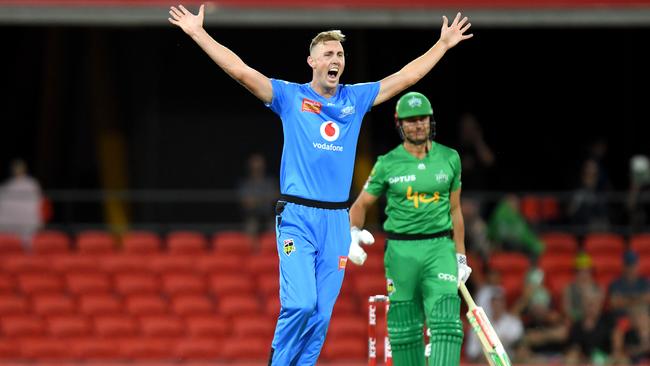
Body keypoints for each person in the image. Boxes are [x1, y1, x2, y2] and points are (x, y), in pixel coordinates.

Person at [168, 6, 473, 365]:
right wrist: (198, 34)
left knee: (320, 319)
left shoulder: (354, 100)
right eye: (328, 53)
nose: (336, 59)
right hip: (297, 215)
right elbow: (240, 71)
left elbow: (404, 78)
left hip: (337, 223)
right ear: (311, 61)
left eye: (340, 54)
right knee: (300, 303)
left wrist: (443, 44)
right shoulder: (289, 97)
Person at [348, 92, 472, 365]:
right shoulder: (387, 163)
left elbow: (455, 211)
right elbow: (359, 206)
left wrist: (460, 256)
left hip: (439, 247)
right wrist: (353, 234)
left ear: (430, 121)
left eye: (422, 119)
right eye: (410, 120)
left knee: (446, 323)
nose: (417, 125)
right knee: (404, 329)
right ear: (399, 124)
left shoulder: (450, 158)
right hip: (401, 250)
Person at [0, 159, 43, 250]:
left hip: (29, 223)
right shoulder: (6, 187)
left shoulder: (32, 184)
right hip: (10, 223)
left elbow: (37, 204)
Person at [238, 153, 278, 238]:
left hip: (269, 214)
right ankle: (254, 251)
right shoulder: (245, 184)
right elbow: (247, 203)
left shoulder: (270, 182)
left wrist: (256, 200)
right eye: (255, 165)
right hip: (253, 216)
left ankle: (272, 250)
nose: (257, 167)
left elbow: (275, 197)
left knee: (275, 228)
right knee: (251, 228)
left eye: (259, 165)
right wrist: (265, 198)